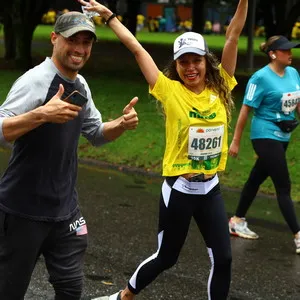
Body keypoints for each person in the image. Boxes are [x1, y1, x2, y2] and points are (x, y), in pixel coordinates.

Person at [79, 0, 248, 299]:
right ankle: (124, 296)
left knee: (224, 259)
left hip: (210, 188)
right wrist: (110, 17)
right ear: (176, 66)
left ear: (207, 61)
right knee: (166, 258)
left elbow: (233, 35)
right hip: (180, 190)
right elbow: (136, 48)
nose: (190, 67)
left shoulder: (220, 87)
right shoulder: (169, 91)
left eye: (196, 60)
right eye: (184, 62)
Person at [0, 11, 138, 300]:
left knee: (71, 288)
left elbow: (97, 133)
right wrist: (41, 113)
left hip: (65, 212)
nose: (80, 48)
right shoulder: (35, 81)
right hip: (23, 210)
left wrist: (120, 125)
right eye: (73, 39)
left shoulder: (81, 85)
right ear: (54, 38)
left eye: (86, 42)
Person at [228, 35, 300, 254]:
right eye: (286, 50)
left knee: (257, 177)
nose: (290, 54)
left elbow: (297, 103)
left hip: (283, 136)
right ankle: (298, 235)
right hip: (264, 135)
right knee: (283, 185)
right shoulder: (260, 78)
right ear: (273, 54)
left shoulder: (294, 73)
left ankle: (237, 220)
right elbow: (245, 110)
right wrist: (236, 141)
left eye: (291, 50)